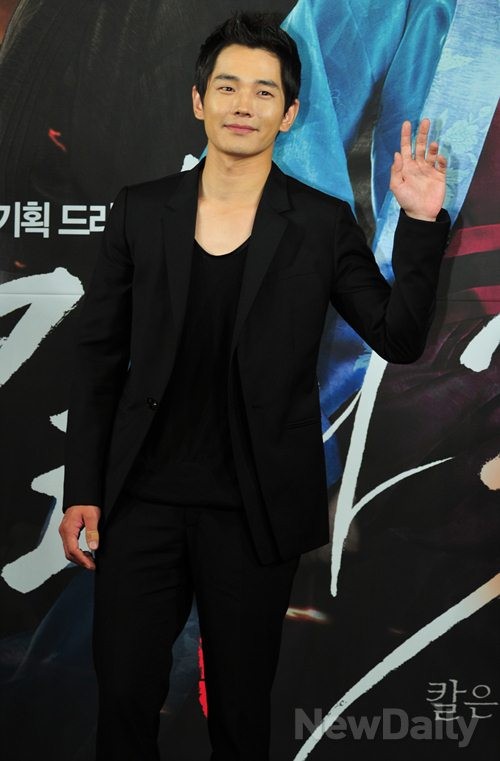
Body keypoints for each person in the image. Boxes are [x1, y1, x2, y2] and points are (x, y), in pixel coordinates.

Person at [58, 11, 450, 761]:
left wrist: (420, 221)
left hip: (256, 510)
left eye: (265, 92)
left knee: (239, 715)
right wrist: (84, 488)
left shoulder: (321, 223)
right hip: (141, 502)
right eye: (228, 86)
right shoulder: (141, 210)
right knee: (124, 700)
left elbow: (397, 338)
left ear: (290, 113)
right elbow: (99, 359)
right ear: (198, 100)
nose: (244, 104)